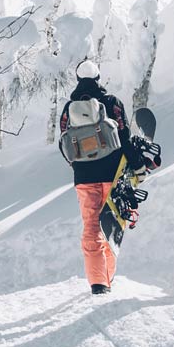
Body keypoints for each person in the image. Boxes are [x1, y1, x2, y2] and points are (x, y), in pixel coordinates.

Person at [57, 60, 132, 295]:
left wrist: (78, 167)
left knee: (91, 227)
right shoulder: (112, 103)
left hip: (84, 177)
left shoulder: (69, 108)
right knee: (110, 225)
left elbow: (64, 143)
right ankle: (107, 278)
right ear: (99, 78)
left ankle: (98, 284)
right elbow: (125, 135)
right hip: (112, 174)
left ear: (78, 80)